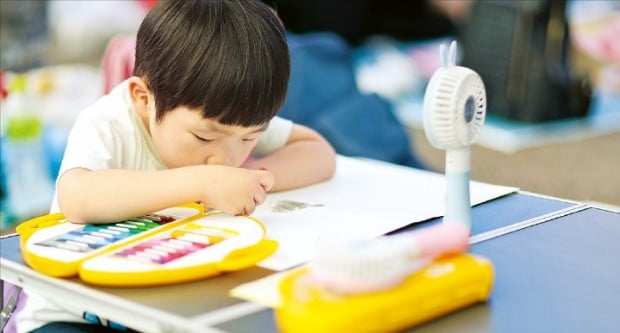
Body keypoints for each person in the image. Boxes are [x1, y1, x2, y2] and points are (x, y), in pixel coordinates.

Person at [13, 0, 336, 332]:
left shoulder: (230, 118)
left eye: (251, 138)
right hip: (75, 311)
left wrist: (251, 180)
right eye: (203, 138)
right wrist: (201, 182)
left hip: (160, 302)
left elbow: (318, 152)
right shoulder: (108, 122)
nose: (226, 158)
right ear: (143, 97)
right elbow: (78, 197)